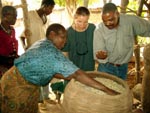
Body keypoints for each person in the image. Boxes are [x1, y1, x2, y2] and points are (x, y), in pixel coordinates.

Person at [0, 23, 119, 113]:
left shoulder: (42, 43)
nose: (65, 41)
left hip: (14, 78)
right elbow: (78, 74)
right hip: (18, 87)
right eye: (63, 37)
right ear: (52, 35)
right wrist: (107, 90)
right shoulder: (52, 54)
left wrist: (70, 76)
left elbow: (48, 70)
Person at [93, 2, 150, 80]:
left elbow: (147, 28)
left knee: (120, 92)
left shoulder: (130, 21)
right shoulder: (99, 30)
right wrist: (101, 56)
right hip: (106, 68)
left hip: (123, 68)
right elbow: (98, 52)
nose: (107, 23)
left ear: (117, 14)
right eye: (104, 21)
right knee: (104, 91)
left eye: (111, 20)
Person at [20, 0, 55, 103]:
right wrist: (25, 47)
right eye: (50, 8)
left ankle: (45, 97)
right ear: (44, 6)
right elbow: (22, 35)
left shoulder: (45, 19)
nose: (51, 11)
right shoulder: (30, 15)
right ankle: (38, 98)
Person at [62, 6, 96, 71]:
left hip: (89, 69)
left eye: (85, 22)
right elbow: (65, 53)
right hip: (74, 70)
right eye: (79, 21)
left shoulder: (92, 29)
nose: (82, 25)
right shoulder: (68, 32)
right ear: (74, 18)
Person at [0, 6, 19, 78]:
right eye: (14, 15)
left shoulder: (12, 30)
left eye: (16, 16)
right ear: (5, 16)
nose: (16, 18)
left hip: (11, 66)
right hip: (2, 68)